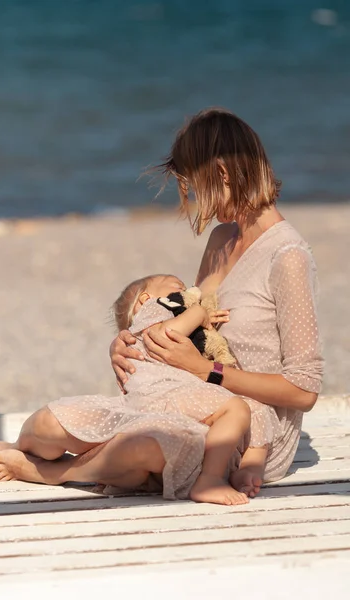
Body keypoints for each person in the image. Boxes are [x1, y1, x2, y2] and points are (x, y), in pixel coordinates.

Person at [110, 107, 324, 496]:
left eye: (194, 186)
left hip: (256, 436)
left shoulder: (287, 256)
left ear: (222, 174)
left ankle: (48, 471)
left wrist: (207, 371)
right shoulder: (220, 241)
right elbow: (194, 330)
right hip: (201, 400)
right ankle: (41, 458)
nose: (195, 202)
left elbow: (304, 391)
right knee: (118, 425)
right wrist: (128, 344)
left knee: (134, 443)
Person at [0, 272, 280, 505]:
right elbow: (169, 333)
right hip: (142, 409)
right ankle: (17, 447)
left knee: (149, 445)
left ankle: (46, 471)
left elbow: (256, 431)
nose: (189, 291)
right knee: (51, 422)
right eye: (178, 287)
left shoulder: (206, 358)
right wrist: (199, 311)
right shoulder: (161, 314)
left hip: (182, 431)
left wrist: (248, 471)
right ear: (147, 302)